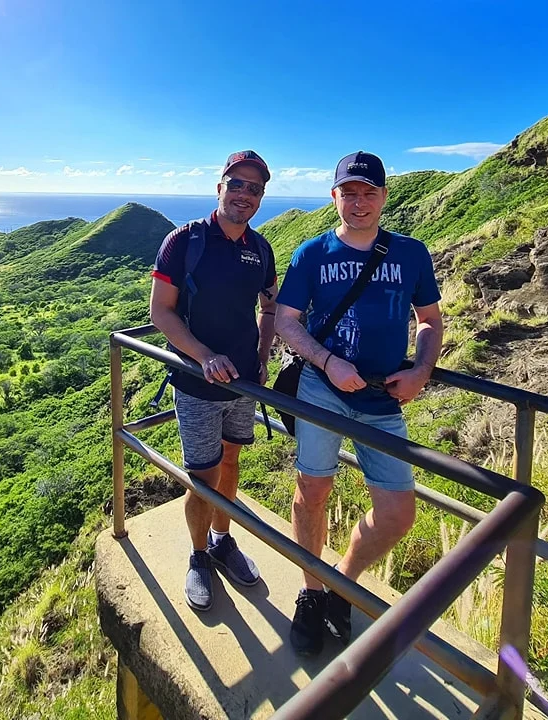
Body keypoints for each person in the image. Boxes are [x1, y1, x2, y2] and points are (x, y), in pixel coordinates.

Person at [274, 151, 443, 655]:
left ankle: (342, 584)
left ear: (385, 197)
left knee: (397, 514)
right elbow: (286, 321)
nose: (359, 202)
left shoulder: (411, 254)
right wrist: (327, 363)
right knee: (313, 491)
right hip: (321, 389)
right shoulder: (311, 253)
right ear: (334, 198)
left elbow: (430, 320)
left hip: (384, 400)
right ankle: (312, 591)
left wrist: (421, 371)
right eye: (349, 192)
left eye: (369, 192)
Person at [150, 150, 279, 612]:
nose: (246, 194)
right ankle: (198, 554)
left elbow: (270, 307)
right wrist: (203, 356)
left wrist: (262, 358)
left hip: (242, 382)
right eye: (238, 184)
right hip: (196, 380)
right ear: (219, 186)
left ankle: (223, 541)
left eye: (256, 188)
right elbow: (160, 311)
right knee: (201, 475)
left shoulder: (260, 250)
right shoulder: (184, 241)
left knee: (230, 462)